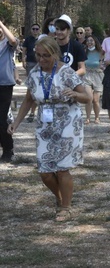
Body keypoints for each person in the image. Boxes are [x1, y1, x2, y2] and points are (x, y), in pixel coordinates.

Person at [7, 37, 92, 221]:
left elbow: (87, 97)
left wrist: (76, 94)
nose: (41, 59)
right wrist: (17, 122)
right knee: (45, 172)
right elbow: (29, 100)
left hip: (68, 124)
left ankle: (66, 208)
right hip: (45, 126)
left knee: (62, 169)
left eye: (46, 55)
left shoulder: (66, 72)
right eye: (38, 55)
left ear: (54, 54)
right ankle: (61, 199)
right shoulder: (35, 73)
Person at [0, 20, 18, 163]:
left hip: (5, 85)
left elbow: (13, 40)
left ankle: (8, 149)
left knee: (2, 120)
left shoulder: (7, 44)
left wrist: (0, 23)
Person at [22, 23, 40, 122]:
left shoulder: (41, 39)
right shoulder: (28, 39)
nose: (35, 30)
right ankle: (30, 112)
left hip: (40, 64)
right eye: (33, 29)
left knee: (38, 88)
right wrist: (23, 61)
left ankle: (33, 112)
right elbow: (24, 51)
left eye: (37, 29)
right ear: (31, 30)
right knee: (31, 87)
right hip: (30, 63)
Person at [84, 36, 104, 124]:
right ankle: (87, 118)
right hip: (87, 75)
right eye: (88, 41)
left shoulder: (100, 52)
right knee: (89, 98)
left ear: (95, 42)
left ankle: (97, 117)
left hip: (98, 75)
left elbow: (104, 62)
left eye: (91, 40)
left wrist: (102, 66)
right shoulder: (84, 52)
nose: (90, 42)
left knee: (96, 100)